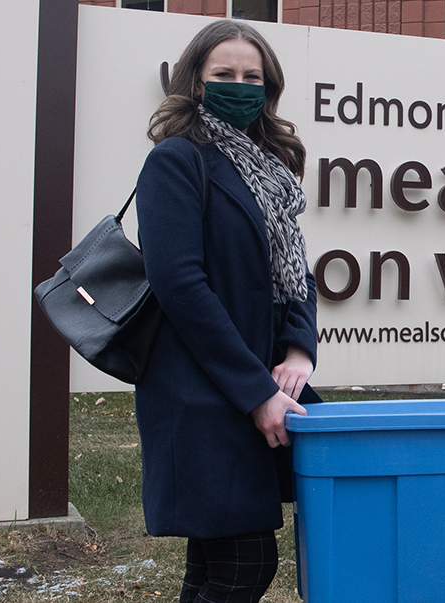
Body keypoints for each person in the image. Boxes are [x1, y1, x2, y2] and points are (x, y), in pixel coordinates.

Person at [134, 19, 320, 603]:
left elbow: (292, 275)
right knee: (246, 561)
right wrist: (256, 392)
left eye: (252, 77)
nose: (240, 86)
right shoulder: (176, 160)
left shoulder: (268, 168)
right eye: (224, 75)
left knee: (215, 562)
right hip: (201, 392)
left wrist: (298, 346)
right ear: (195, 83)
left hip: (254, 381)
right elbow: (180, 286)